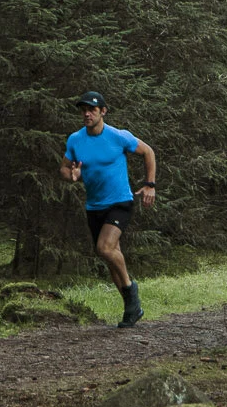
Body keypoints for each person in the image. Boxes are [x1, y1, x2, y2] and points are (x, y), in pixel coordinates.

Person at [60, 90, 157, 328]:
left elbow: (148, 152)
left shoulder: (118, 136)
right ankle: (131, 310)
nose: (87, 113)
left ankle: (131, 290)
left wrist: (149, 185)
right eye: (83, 109)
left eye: (92, 109)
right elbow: (64, 168)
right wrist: (71, 175)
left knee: (104, 248)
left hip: (120, 202)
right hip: (94, 205)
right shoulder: (75, 140)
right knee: (111, 257)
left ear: (103, 111)